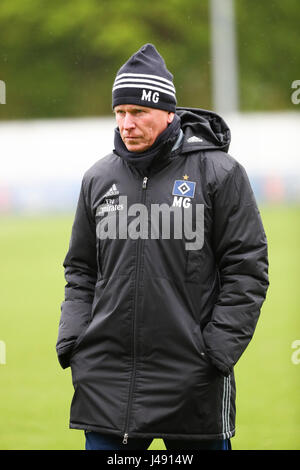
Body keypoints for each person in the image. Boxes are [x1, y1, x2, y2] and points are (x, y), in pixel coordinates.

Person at [56, 43, 269, 451]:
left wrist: (216, 354)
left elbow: (247, 269)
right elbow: (80, 269)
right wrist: (74, 341)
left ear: (169, 113)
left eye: (138, 112)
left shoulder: (219, 173)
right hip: (106, 382)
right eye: (120, 112)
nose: (126, 123)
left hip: (192, 380)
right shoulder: (98, 178)